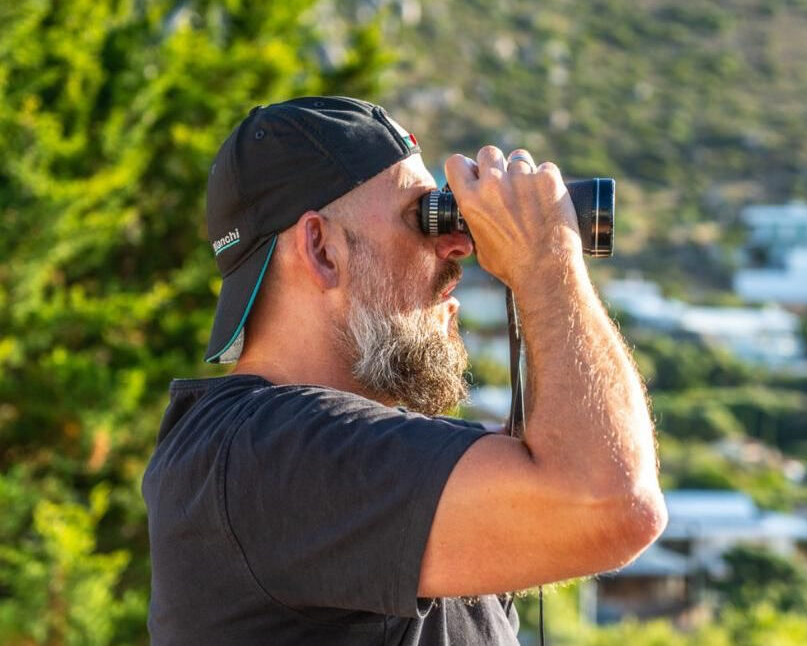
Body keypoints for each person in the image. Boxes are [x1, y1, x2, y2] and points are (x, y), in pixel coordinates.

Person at [142, 96, 666, 645]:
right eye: (424, 219)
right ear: (321, 249)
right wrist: (546, 260)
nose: (460, 246)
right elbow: (612, 503)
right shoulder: (259, 455)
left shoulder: (329, 459)